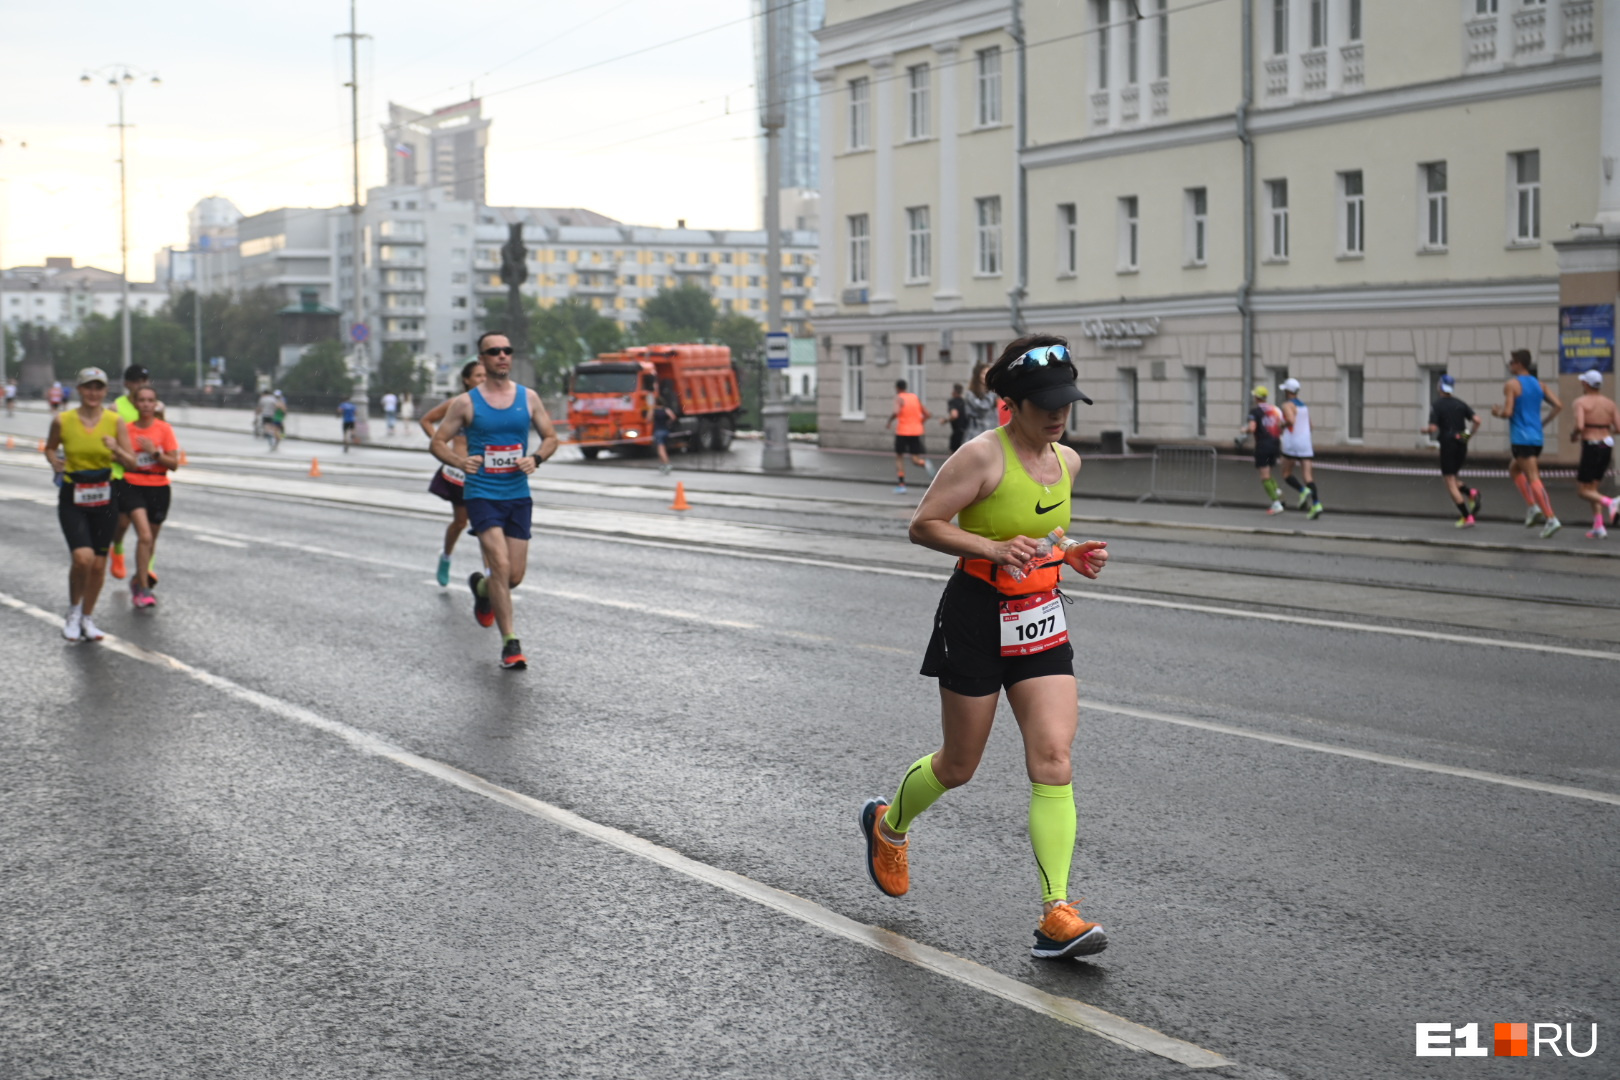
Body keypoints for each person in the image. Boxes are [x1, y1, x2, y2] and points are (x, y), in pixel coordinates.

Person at [860, 336, 1112, 961]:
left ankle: (1057, 911)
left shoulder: (1069, 462)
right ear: (1012, 404)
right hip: (975, 617)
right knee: (959, 765)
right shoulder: (981, 458)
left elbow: (1042, 530)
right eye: (1044, 404)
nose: (1058, 415)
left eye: (1066, 403)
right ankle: (889, 826)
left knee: (1053, 755)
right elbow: (923, 525)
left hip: (1040, 616)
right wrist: (992, 550)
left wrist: (1067, 552)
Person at [429, 332, 560, 670]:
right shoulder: (466, 403)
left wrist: (537, 459)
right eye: (494, 351)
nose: (502, 355)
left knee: (514, 576)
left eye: (507, 350)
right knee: (500, 565)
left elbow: (550, 436)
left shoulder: (528, 397)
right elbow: (438, 442)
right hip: (482, 494)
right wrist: (460, 462)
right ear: (483, 359)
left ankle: (482, 589)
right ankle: (510, 644)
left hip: (517, 495)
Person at [42, 367, 135, 642]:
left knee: (97, 564)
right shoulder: (63, 420)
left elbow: (131, 461)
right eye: (88, 387)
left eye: (99, 388)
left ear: (105, 391)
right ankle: (73, 611)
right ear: (80, 390)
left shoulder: (114, 421)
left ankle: (88, 617)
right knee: (82, 558)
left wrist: (116, 449)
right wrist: (53, 460)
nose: (93, 393)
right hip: (74, 494)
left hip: (105, 494)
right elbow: (49, 447)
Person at [420, 359, 487, 586]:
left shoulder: (494, 404)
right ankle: (446, 557)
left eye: (486, 375)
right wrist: (441, 444)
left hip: (484, 474)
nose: (483, 380)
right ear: (466, 380)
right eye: (478, 376)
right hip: (458, 472)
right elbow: (427, 420)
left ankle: (490, 576)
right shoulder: (456, 404)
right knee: (460, 522)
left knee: (485, 525)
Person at [117, 385, 180, 606]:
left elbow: (174, 465)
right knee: (144, 536)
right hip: (133, 486)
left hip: (159, 488)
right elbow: (119, 459)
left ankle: (138, 578)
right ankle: (143, 589)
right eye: (141, 400)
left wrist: (154, 452)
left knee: (150, 540)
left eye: (150, 400)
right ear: (135, 403)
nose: (145, 404)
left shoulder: (164, 429)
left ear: (156, 404)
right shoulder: (126, 429)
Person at [1490, 349, 1563, 538]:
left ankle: (1551, 517)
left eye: (1511, 362)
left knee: (1533, 477)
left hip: (1521, 438)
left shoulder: (1512, 384)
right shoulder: (1540, 384)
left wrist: (1496, 413)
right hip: (1536, 438)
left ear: (1519, 364)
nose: (1509, 365)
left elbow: (1508, 412)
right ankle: (1532, 507)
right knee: (1514, 469)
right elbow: (1558, 405)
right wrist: (1543, 423)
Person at [108, 364, 162, 582]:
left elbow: (161, 432)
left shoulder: (155, 406)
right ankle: (117, 547)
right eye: (137, 381)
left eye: (145, 381)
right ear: (127, 384)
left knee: (150, 529)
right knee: (122, 523)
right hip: (122, 474)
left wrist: (157, 454)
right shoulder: (115, 408)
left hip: (149, 475)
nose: (142, 385)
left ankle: (147, 569)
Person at [1568, 369, 1620, 539]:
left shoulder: (1580, 402)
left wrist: (1574, 435)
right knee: (1593, 488)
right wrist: (1604, 429)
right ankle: (1599, 526)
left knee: (1582, 491)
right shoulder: (1609, 403)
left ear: (1586, 384)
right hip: (1607, 445)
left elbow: (1580, 426)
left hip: (1591, 446)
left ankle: (1611, 503)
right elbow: (1618, 428)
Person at [1426, 374, 1483, 528]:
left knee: (1450, 482)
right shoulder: (1460, 403)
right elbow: (1477, 420)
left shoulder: (1437, 405)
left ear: (1439, 386)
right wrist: (1467, 437)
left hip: (1447, 444)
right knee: (1451, 478)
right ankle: (1470, 492)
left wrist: (1424, 431)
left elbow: (1433, 428)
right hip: (1461, 443)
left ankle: (1467, 516)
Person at [1278, 378, 1323, 519]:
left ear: (1288, 391)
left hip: (1292, 442)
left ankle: (1302, 491)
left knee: (1286, 473)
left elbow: (1290, 421)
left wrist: (1281, 425)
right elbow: (1311, 426)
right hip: (1305, 443)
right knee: (1308, 476)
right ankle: (1316, 504)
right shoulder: (1304, 406)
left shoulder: (1287, 405)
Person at [886, 379, 934, 494]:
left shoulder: (899, 398)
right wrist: (920, 422)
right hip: (916, 431)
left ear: (897, 388)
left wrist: (889, 421)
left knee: (899, 457)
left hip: (902, 431)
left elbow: (896, 412)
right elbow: (928, 414)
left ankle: (902, 484)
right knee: (915, 459)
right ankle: (924, 463)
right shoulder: (914, 397)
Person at [1245, 385, 1287, 514]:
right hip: (1274, 445)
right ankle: (1277, 491)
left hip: (1262, 446)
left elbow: (1252, 428)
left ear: (1257, 397)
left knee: (1264, 476)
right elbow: (1282, 426)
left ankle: (1276, 503)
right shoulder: (1275, 410)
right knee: (1268, 472)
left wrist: (1244, 430)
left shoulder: (1255, 412)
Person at [962, 363, 999, 441]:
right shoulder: (971, 394)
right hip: (975, 436)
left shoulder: (991, 394)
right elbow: (983, 407)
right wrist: (992, 392)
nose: (986, 376)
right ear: (978, 375)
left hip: (991, 435)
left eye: (988, 373)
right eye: (983, 373)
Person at [652, 394, 677, 475]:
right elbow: (673, 417)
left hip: (658, 431)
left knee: (660, 450)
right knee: (663, 448)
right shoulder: (666, 410)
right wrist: (668, 422)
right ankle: (663, 465)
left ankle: (667, 464)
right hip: (665, 431)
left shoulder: (654, 411)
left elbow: (648, 419)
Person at [943, 383, 969, 454]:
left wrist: (945, 421)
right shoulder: (964, 402)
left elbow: (954, 415)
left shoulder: (953, 401)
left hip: (957, 432)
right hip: (966, 431)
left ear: (954, 392)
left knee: (953, 454)